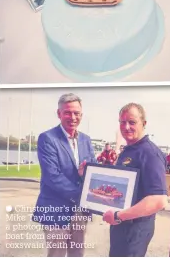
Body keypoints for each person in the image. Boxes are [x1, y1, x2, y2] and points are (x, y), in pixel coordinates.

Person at [33, 92, 96, 257]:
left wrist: (86, 174)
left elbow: (93, 172)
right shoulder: (47, 138)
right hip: (56, 208)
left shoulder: (86, 140)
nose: (73, 117)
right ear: (59, 113)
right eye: (68, 112)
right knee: (57, 254)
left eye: (77, 113)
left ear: (81, 115)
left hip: (79, 211)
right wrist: (84, 196)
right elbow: (52, 176)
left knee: (77, 253)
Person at [101, 103, 168, 258]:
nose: (126, 127)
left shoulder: (150, 154)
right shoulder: (129, 150)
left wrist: (119, 216)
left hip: (135, 228)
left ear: (143, 124)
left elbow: (159, 200)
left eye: (132, 122)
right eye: (122, 122)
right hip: (122, 224)